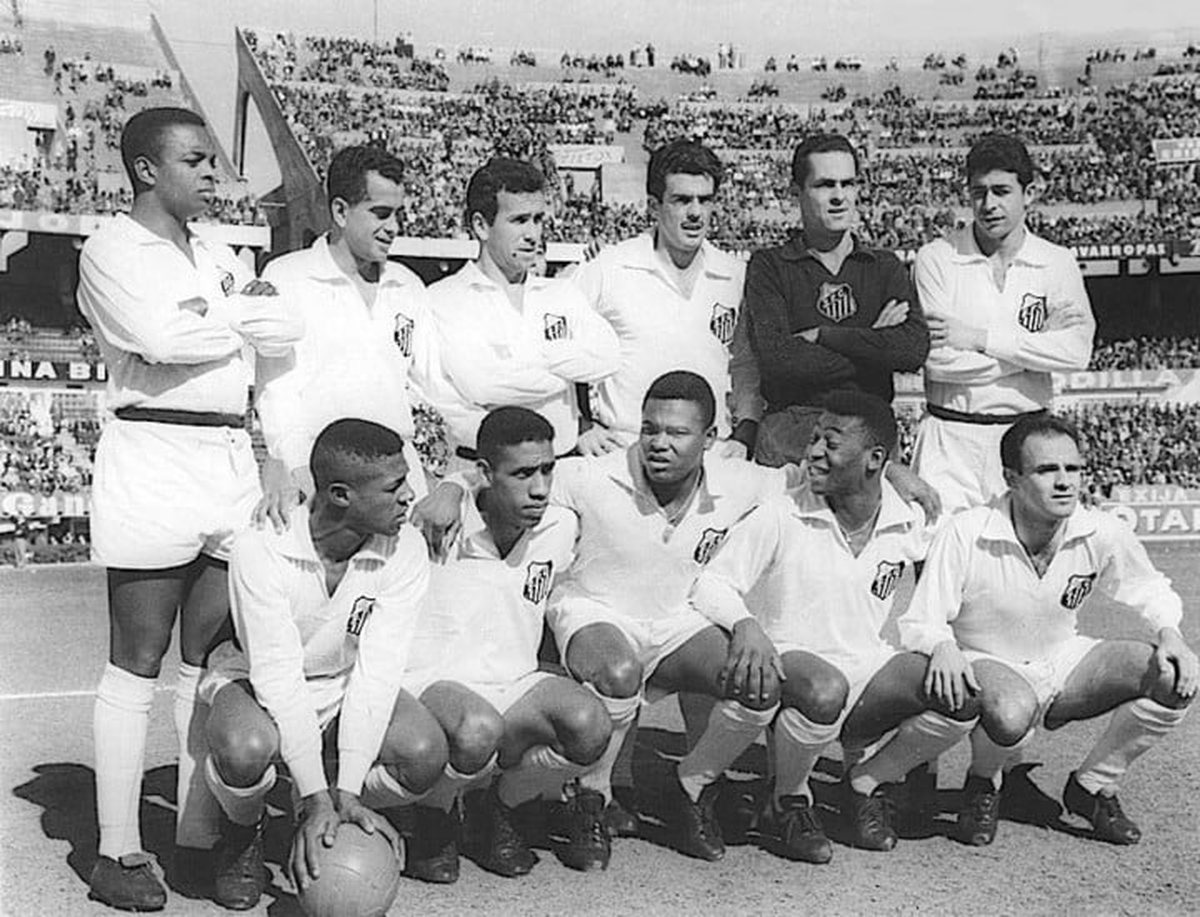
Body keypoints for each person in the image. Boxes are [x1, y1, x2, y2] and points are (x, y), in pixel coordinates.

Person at [77, 107, 303, 912]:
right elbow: (153, 337)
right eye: (196, 160)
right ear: (146, 168)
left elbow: (284, 330)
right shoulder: (110, 249)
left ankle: (197, 835)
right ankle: (114, 847)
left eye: (214, 160)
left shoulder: (217, 252)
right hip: (150, 454)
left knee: (210, 660)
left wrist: (216, 316)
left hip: (226, 459)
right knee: (135, 656)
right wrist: (233, 315)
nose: (214, 173)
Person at [884, 414, 1195, 847]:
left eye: (1073, 469)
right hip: (987, 663)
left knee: (1173, 677)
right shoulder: (966, 531)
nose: (1065, 482)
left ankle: (1091, 788)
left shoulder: (1102, 529)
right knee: (1011, 712)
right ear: (1012, 477)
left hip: (1062, 660)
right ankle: (984, 783)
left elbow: (1148, 586)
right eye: (1047, 470)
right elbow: (922, 619)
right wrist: (942, 646)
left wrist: (1170, 633)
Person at [691, 392, 975, 862]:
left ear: (874, 460)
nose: (814, 451)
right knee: (825, 689)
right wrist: (745, 625)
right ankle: (789, 798)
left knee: (962, 695)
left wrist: (944, 643)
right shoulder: (781, 512)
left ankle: (863, 786)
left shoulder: (912, 522)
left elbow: (928, 610)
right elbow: (711, 583)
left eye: (831, 441)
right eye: (815, 438)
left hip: (867, 670)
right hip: (795, 671)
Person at [199, 419, 432, 909]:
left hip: (342, 684)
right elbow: (276, 676)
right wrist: (313, 794)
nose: (410, 496)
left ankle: (336, 808)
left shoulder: (406, 545)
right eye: (395, 486)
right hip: (256, 681)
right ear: (341, 495)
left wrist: (346, 790)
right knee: (246, 750)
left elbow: (379, 670)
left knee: (423, 751)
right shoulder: (259, 547)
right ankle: (245, 830)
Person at [374, 407, 612, 882]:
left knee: (591, 725)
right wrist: (453, 486)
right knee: (478, 728)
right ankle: (434, 815)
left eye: (547, 470)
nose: (540, 487)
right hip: (433, 684)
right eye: (523, 474)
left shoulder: (560, 525)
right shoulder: (437, 520)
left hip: (514, 681)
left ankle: (495, 807)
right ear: (484, 473)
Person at [911, 132, 1095, 515]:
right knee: (938, 564)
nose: (989, 204)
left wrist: (978, 338)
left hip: (1028, 437)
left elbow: (1077, 353)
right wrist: (1036, 347)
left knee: (1027, 568)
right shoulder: (936, 258)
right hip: (951, 437)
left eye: (1001, 191)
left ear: (1029, 192)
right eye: (979, 192)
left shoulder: (1057, 261)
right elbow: (939, 361)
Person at [256, 145, 442, 523]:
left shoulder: (407, 285)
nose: (393, 228)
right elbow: (276, 390)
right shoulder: (287, 277)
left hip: (398, 476)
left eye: (397, 215)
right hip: (321, 477)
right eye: (380, 214)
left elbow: (431, 382)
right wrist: (296, 469)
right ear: (340, 211)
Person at [743, 133, 929, 465]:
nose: (840, 196)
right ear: (797, 193)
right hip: (791, 435)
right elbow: (778, 361)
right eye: (826, 184)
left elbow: (912, 349)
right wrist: (872, 340)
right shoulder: (769, 265)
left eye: (849, 183)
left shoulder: (884, 266)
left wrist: (824, 336)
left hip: (868, 434)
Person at [569, 139, 760, 458]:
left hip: (712, 453)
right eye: (682, 200)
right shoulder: (609, 267)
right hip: (625, 450)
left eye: (705, 200)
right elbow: (556, 342)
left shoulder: (736, 276)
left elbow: (747, 368)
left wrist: (744, 436)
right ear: (654, 206)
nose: (696, 213)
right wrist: (580, 425)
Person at [427, 157, 620, 459]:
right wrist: (564, 373)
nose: (533, 234)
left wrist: (520, 358)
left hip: (563, 461)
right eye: (519, 220)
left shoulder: (560, 292)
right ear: (481, 225)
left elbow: (608, 356)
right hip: (488, 472)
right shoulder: (444, 299)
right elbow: (484, 385)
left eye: (538, 219)